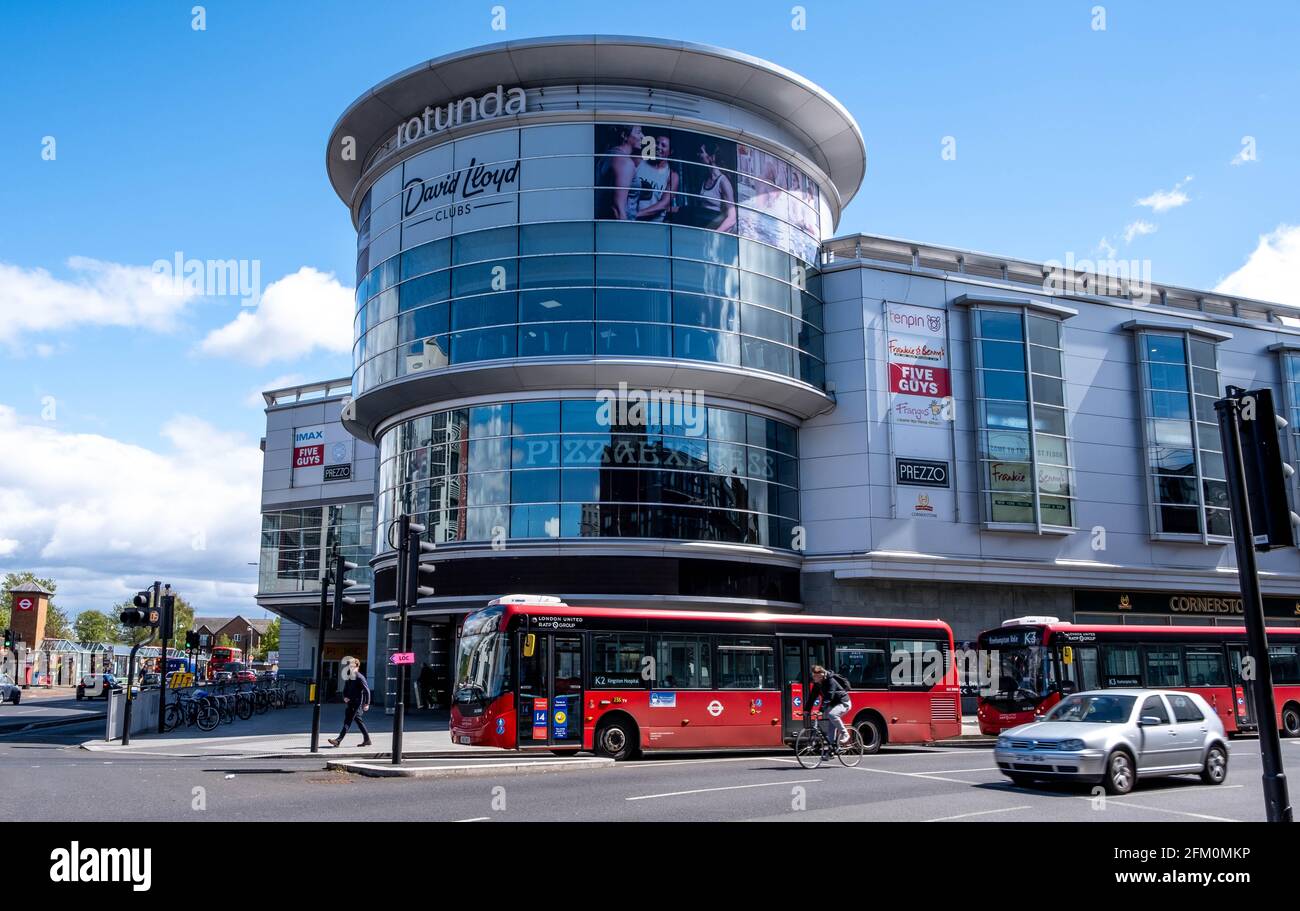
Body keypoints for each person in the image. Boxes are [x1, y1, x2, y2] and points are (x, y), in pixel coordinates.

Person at [328, 656, 372, 748]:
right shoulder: (350, 677)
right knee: (358, 721)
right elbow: (345, 689)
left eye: (353, 666)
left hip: (357, 703)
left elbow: (367, 690)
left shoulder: (359, 677)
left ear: (357, 666)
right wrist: (345, 697)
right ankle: (367, 739)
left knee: (348, 721)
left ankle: (338, 740)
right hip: (350, 703)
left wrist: (367, 703)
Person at [806, 664, 852, 747]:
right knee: (831, 728)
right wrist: (806, 710)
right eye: (813, 676)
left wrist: (821, 711)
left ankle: (845, 734)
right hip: (833, 704)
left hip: (843, 702)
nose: (814, 678)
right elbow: (812, 697)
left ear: (822, 675)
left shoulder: (831, 681)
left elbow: (829, 696)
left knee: (832, 715)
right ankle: (831, 750)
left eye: (816, 676)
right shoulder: (817, 684)